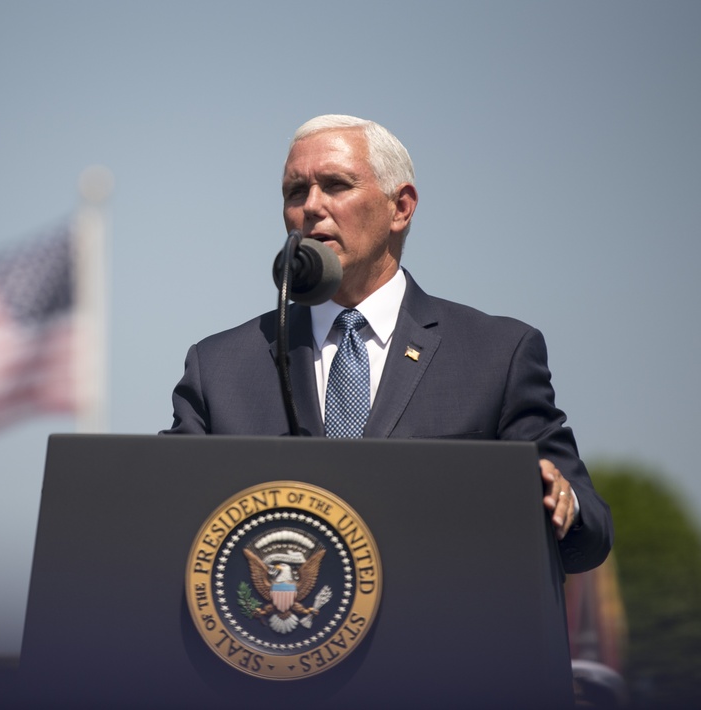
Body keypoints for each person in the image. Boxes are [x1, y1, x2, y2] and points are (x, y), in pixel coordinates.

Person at [165, 114, 612, 573]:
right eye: (296, 192)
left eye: (336, 185)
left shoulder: (497, 354)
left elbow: (591, 527)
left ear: (400, 207)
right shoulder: (220, 368)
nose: (312, 206)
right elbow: (162, 513)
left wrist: (563, 502)